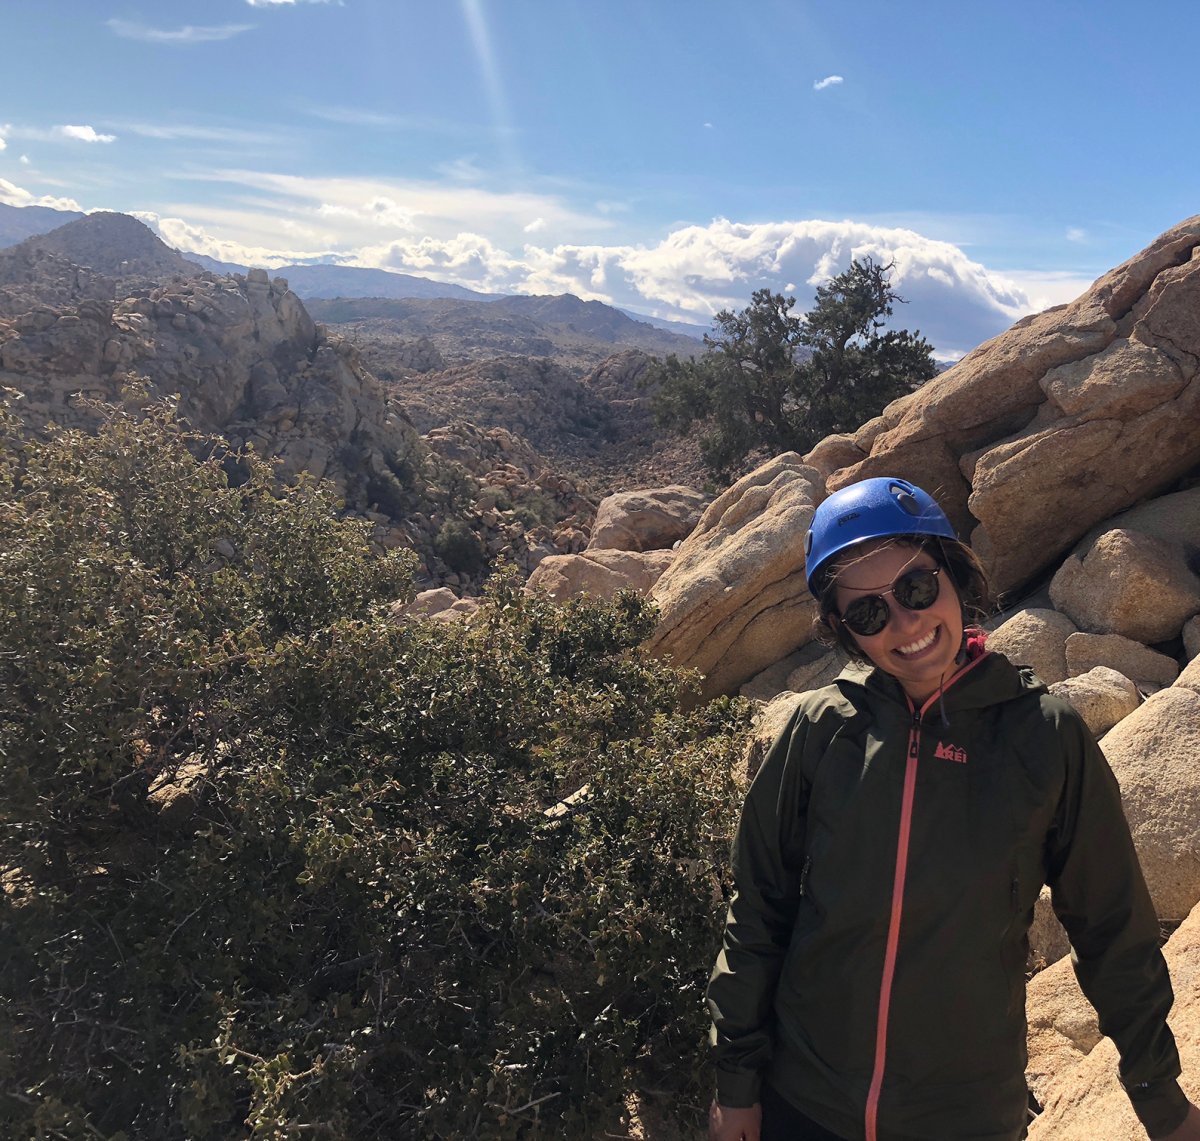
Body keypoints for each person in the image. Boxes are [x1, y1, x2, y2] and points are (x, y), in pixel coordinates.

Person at [706, 477, 1200, 1141]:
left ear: (953, 574)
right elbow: (758, 910)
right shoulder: (820, 731)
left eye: (915, 588)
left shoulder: (1044, 737)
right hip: (806, 1102)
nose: (906, 623)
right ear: (845, 630)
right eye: (869, 614)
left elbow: (1112, 929)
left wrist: (1162, 1105)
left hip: (963, 1118)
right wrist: (737, 1085)